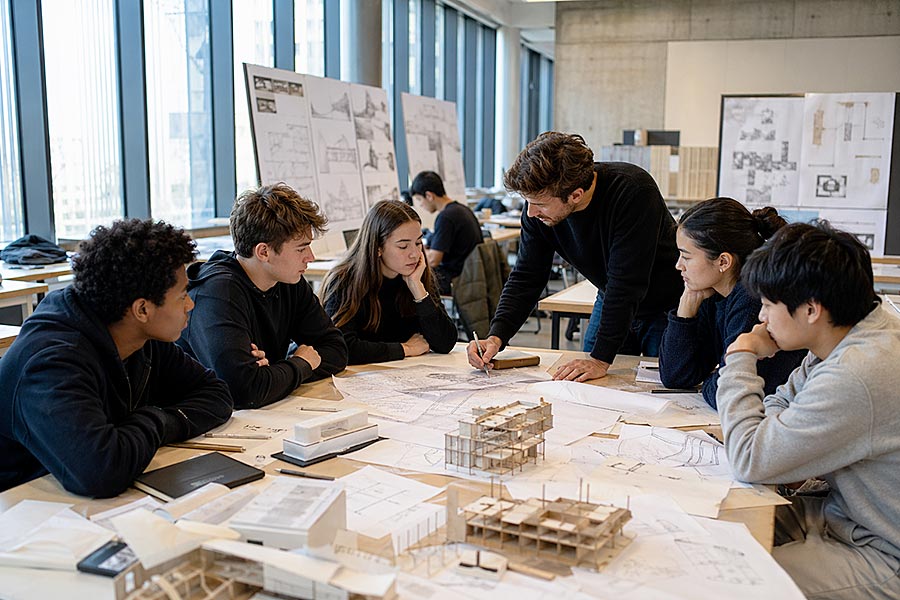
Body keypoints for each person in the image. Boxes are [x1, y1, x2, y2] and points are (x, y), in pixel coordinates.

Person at [718, 221, 900, 598]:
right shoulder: (852, 328)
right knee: (712, 527)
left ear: (811, 309)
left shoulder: (857, 371)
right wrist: (771, 437)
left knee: (729, 577)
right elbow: (783, 402)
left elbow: (750, 458)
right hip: (841, 515)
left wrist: (740, 357)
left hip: (881, 551)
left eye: (768, 306)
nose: (761, 319)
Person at [0, 219, 232, 497]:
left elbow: (216, 394)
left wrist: (151, 426)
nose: (191, 304)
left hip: (71, 501)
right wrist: (156, 420)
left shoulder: (138, 335)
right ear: (142, 309)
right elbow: (101, 472)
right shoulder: (52, 363)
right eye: (182, 296)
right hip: (22, 511)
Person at [467, 131, 683, 381]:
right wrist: (497, 336)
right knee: (592, 386)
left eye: (539, 203)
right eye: (527, 201)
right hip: (611, 295)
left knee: (668, 383)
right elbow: (527, 276)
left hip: (666, 305)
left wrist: (600, 359)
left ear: (576, 195)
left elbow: (627, 282)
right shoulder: (537, 211)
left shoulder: (633, 190)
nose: (531, 212)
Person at [177, 183, 347, 409]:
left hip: (263, 415)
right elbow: (244, 391)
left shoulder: (288, 279)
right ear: (264, 252)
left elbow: (336, 350)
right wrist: (300, 364)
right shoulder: (217, 292)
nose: (311, 257)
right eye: (301, 248)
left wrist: (275, 373)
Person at [657, 198, 805, 406]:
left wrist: (715, 377)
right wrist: (686, 308)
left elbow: (727, 394)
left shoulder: (753, 299)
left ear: (723, 262)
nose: (678, 265)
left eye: (686, 257)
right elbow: (676, 376)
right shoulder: (714, 293)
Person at [321, 200, 458, 364]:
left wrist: (418, 291)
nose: (415, 254)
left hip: (406, 375)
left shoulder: (417, 275)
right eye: (403, 246)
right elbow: (341, 348)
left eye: (418, 243)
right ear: (377, 247)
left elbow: (445, 343)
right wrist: (405, 349)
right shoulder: (345, 281)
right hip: (361, 380)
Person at [410, 170, 483, 295]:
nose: (421, 205)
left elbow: (433, 260)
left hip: (456, 277)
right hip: (471, 273)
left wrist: (415, 253)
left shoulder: (446, 218)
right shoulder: (462, 209)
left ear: (429, 196)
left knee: (410, 279)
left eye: (419, 199)